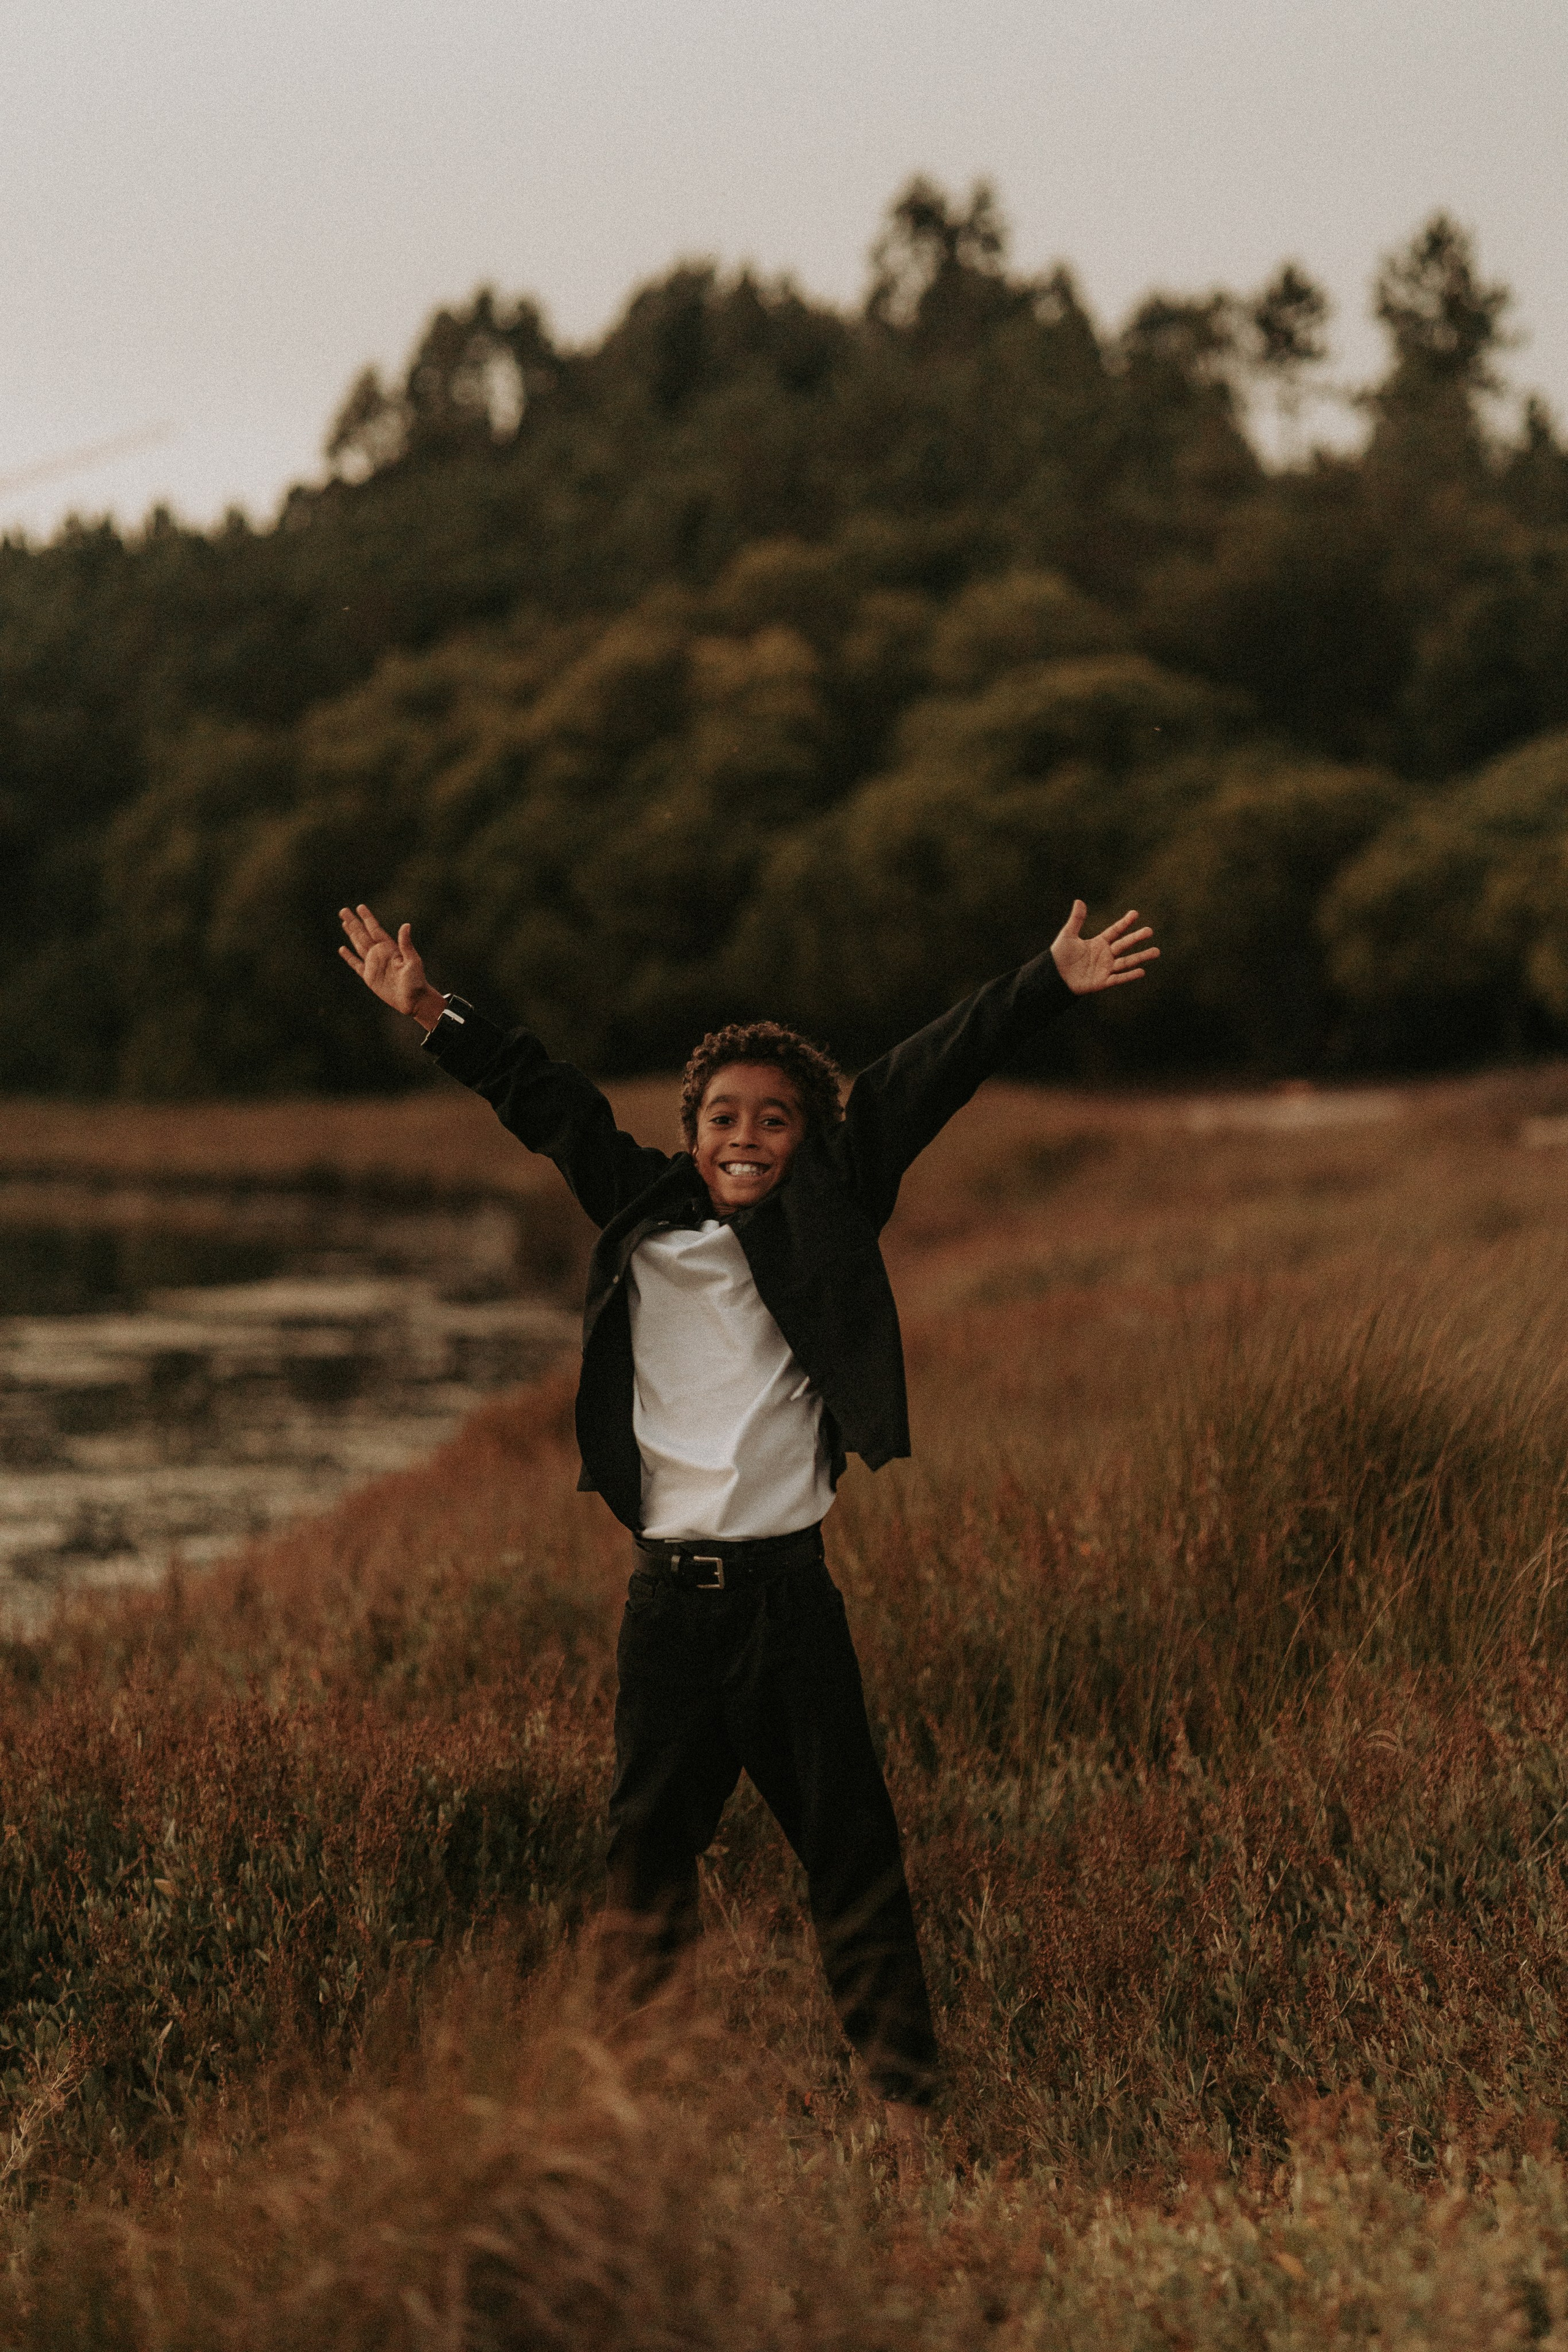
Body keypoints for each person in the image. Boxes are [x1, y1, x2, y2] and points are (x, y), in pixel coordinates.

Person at [337, 898, 1157, 2157]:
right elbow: (544, 1099)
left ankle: (906, 2110)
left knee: (851, 1852)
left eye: (774, 1119)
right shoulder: (643, 1212)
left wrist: (1043, 979)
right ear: (691, 1134)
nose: (746, 1137)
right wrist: (434, 1012)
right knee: (643, 1870)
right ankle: (624, 2113)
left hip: (789, 1606)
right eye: (723, 1117)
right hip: (667, 1610)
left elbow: (920, 1077)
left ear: (808, 1138)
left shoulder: (832, 1209)